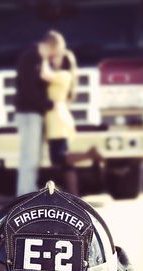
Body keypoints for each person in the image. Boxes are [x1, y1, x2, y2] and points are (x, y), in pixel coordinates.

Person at [40, 49, 104, 195]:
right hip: (57, 118)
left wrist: (44, 57)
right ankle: (74, 195)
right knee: (65, 164)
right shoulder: (64, 76)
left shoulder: (63, 75)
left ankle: (89, 154)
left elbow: (44, 74)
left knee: (59, 158)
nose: (53, 61)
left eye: (57, 58)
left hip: (57, 120)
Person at [15, 31, 66, 196]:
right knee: (29, 157)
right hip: (29, 113)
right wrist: (49, 104)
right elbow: (29, 88)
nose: (56, 55)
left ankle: (27, 192)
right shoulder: (31, 58)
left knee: (33, 157)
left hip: (33, 113)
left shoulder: (38, 58)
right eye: (57, 51)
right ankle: (24, 194)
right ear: (52, 46)